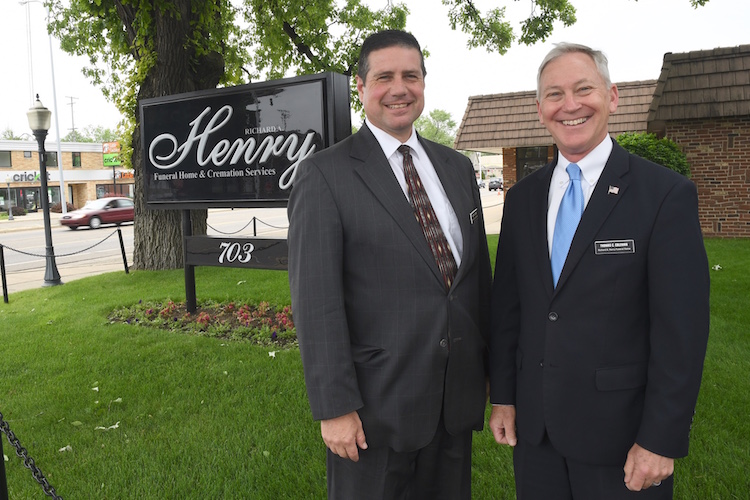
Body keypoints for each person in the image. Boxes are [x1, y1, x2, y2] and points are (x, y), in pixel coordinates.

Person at [488, 42, 710, 499]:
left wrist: (660, 438)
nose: (570, 105)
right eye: (554, 94)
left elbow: (681, 333)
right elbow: (509, 309)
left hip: (622, 438)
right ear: (539, 108)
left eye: (583, 89)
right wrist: (504, 397)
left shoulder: (663, 196)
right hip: (537, 435)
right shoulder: (522, 199)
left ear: (611, 97)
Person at [288, 30, 492, 499]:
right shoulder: (324, 175)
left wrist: (488, 371)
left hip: (454, 400)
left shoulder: (457, 168)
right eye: (384, 77)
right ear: (360, 87)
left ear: (423, 83)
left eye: (411, 76)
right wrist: (334, 407)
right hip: (374, 411)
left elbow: (476, 282)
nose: (399, 88)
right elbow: (315, 303)